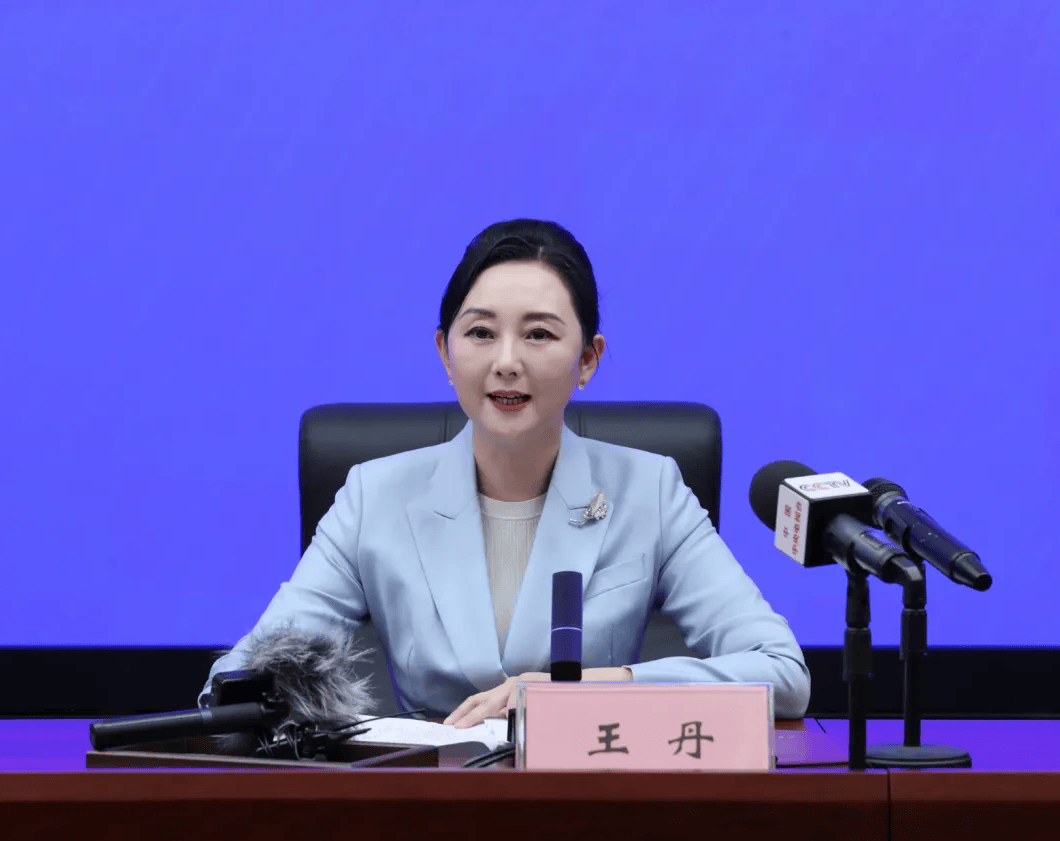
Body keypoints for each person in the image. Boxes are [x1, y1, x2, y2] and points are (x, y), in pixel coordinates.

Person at [200, 219, 811, 726]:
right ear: (445, 353)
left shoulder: (651, 491)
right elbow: (245, 677)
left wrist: (586, 690)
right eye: (481, 333)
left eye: (539, 334)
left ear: (588, 360)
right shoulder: (372, 496)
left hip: (590, 798)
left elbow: (782, 672)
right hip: (430, 804)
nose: (507, 361)